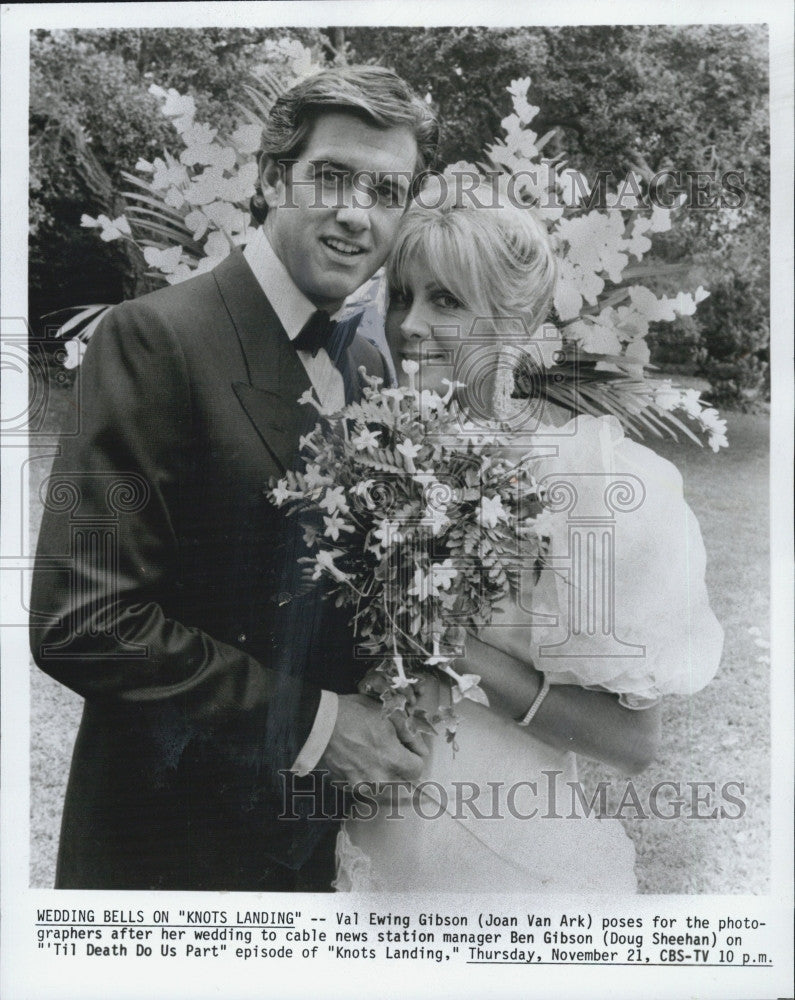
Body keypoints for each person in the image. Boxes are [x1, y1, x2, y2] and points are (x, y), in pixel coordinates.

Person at [29, 65, 439, 891]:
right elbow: (84, 619)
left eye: (386, 191)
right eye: (330, 177)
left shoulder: (366, 359)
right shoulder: (152, 340)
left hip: (314, 850)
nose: (356, 213)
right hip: (167, 850)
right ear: (268, 178)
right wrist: (320, 725)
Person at [333, 185, 724, 892]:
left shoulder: (593, 484)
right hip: (371, 839)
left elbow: (633, 744)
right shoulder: (368, 456)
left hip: (509, 861)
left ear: (515, 323)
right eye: (402, 297)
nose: (409, 324)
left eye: (445, 301)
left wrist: (453, 649)